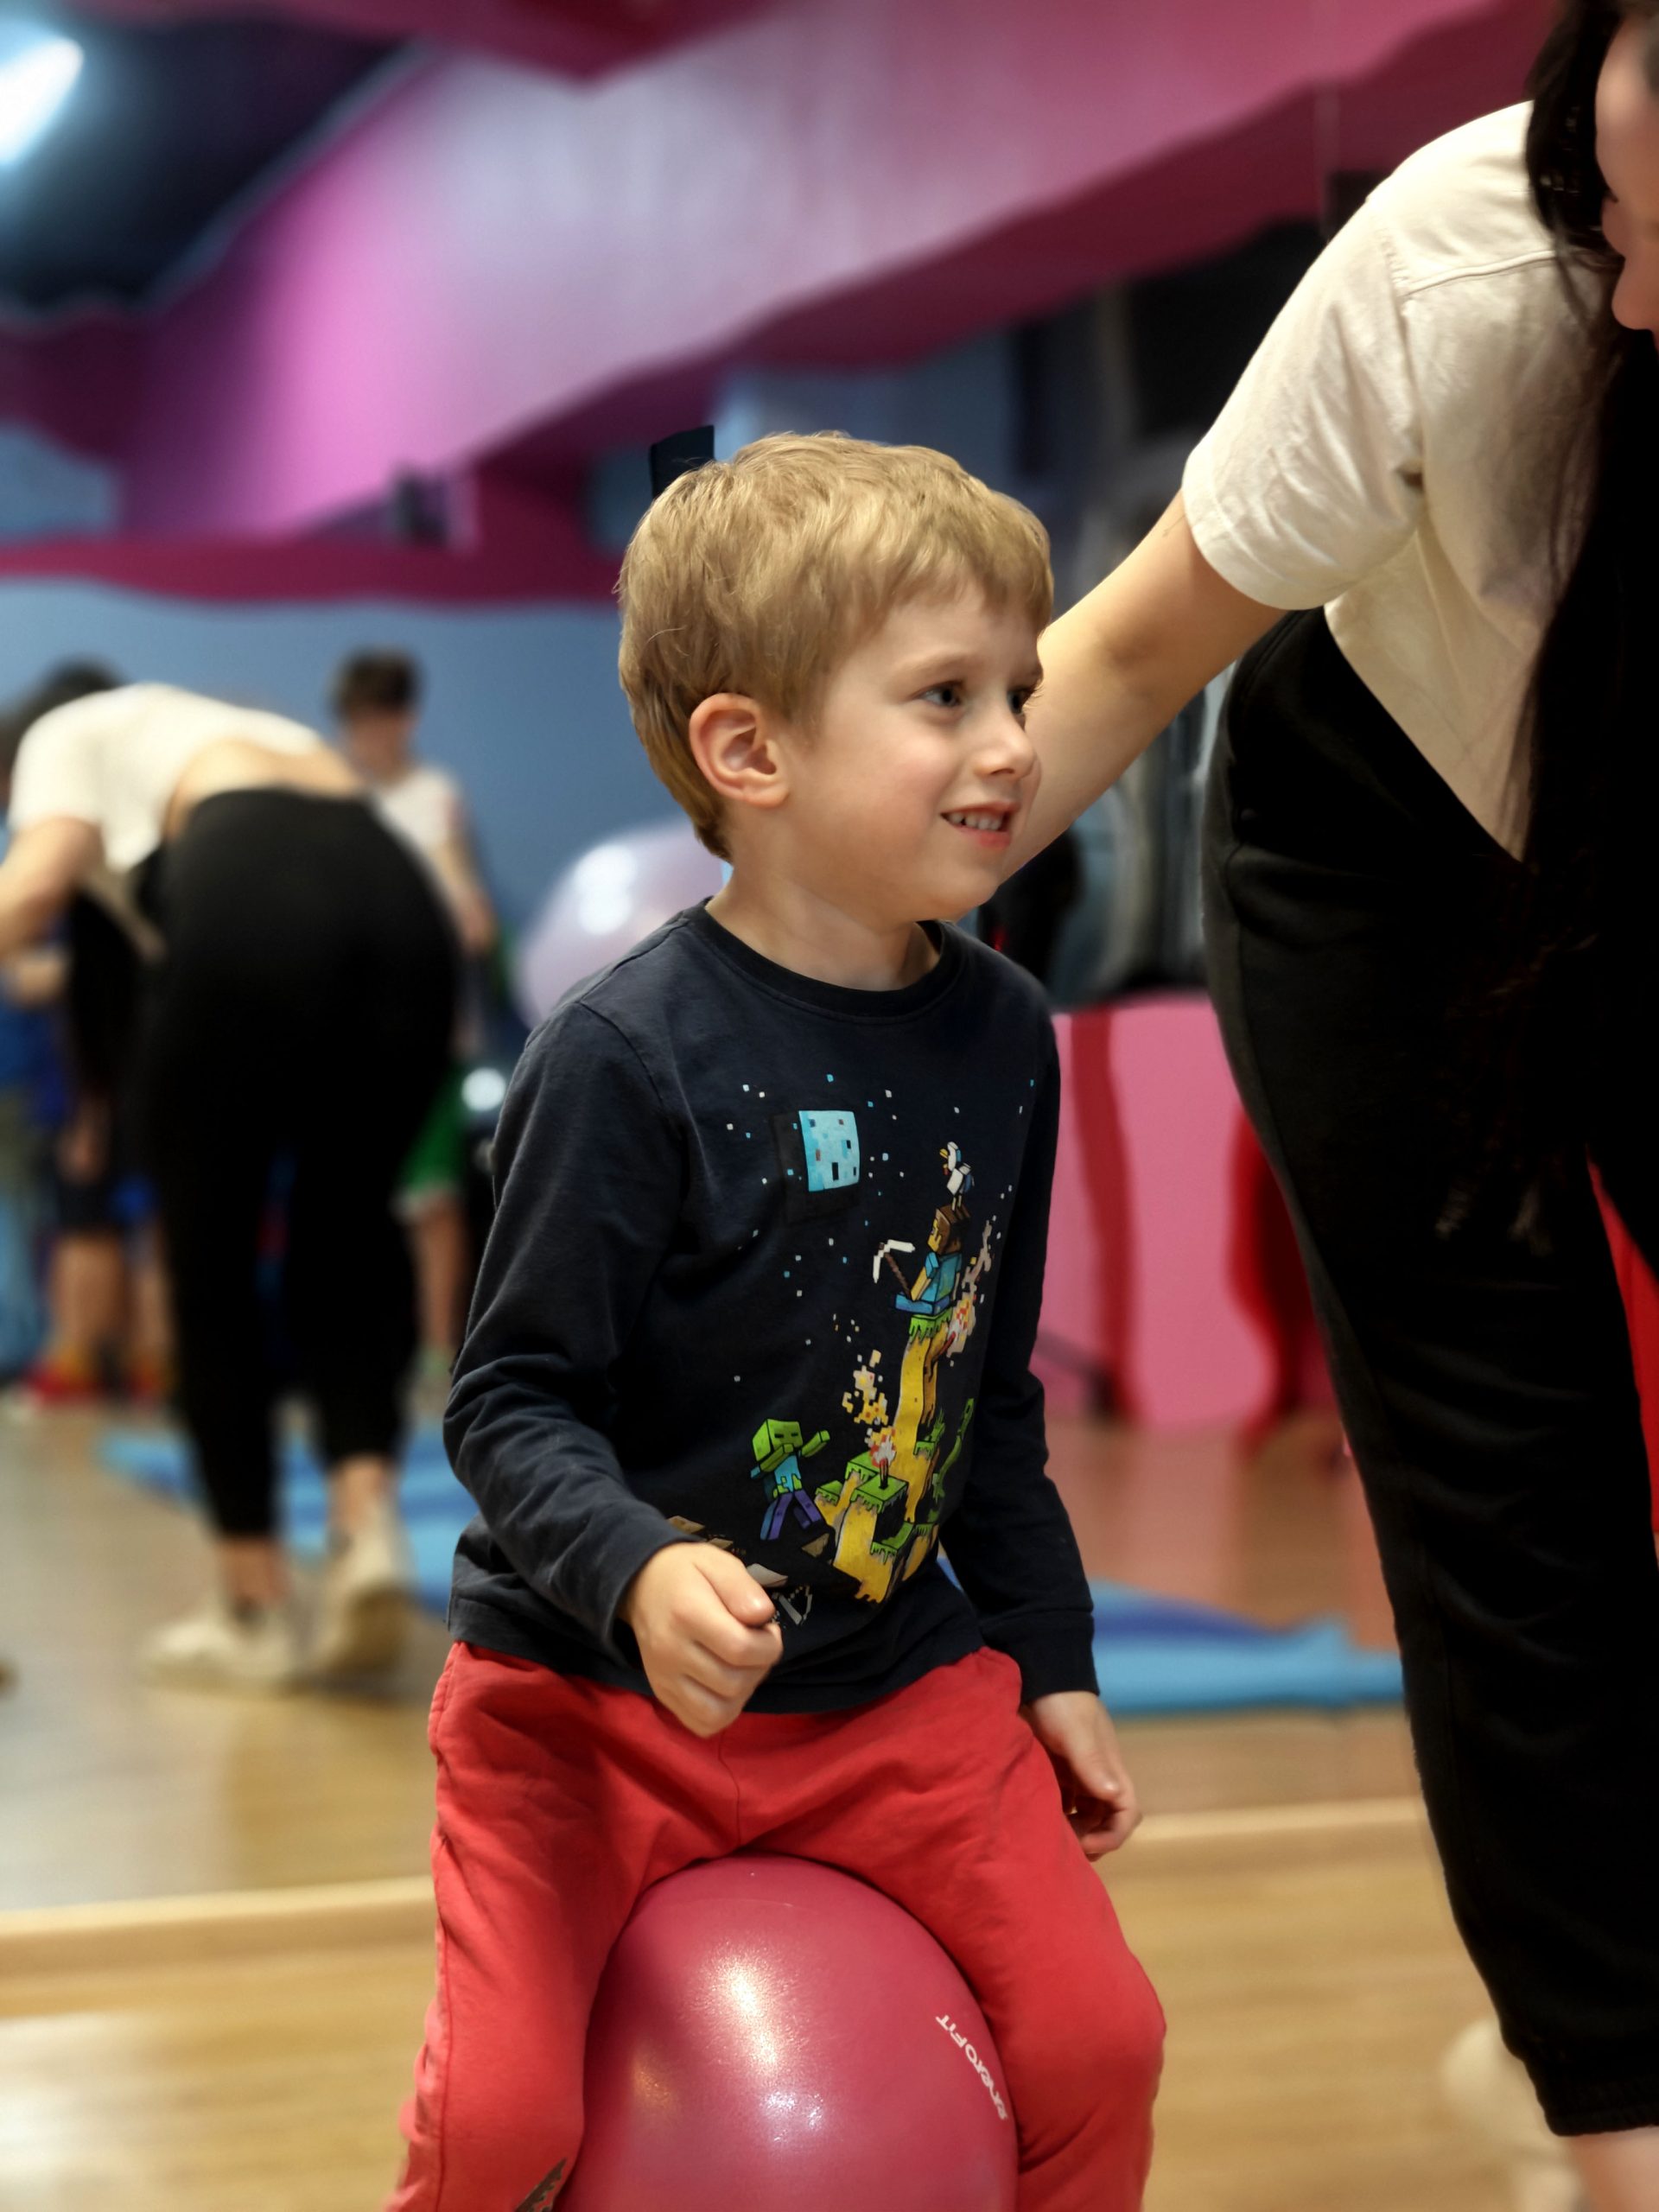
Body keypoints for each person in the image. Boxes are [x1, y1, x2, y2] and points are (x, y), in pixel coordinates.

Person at [1007, 6, 1659, 2203]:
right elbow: (1122, 654)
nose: (1632, 299)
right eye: (1626, 196)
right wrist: (801, 939)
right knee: (1515, 1494)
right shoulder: (1462, 266)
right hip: (1380, 842)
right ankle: (1621, 2126)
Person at [386, 434, 1165, 2211]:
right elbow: (506, 1400)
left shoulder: (1004, 1032)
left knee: (1100, 2045)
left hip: (891, 1696)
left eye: (1020, 691)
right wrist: (641, 1570)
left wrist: (1051, 1663)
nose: (1012, 745)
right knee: (501, 2122)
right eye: (945, 696)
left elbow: (987, 1398)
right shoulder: (623, 1052)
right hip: (581, 1713)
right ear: (750, 751)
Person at [0, 675, 457, 1690]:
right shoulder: (232, 726)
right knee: (347, 1231)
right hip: (402, 909)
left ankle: (252, 1606)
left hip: (251, 897)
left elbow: (31, 888)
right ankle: (365, 1523)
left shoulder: (59, 735)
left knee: (207, 1267)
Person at [334, 649, 495, 1369]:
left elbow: (469, 913)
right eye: (355, 723)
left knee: (432, 1201)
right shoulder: (341, 799)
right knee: (358, 1199)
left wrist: (464, 905)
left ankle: (436, 1355)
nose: (366, 737)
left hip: (428, 1035)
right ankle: (367, 1353)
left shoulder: (434, 796)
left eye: (378, 721)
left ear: (406, 720)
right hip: (354, 1037)